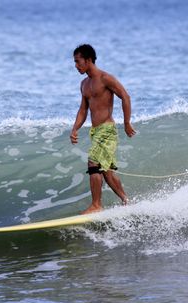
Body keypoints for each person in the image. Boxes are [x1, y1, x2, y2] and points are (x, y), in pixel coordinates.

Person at [70, 44, 136, 214]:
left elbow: (125, 96)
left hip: (107, 129)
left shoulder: (106, 78)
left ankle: (96, 205)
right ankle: (127, 201)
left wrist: (127, 122)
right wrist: (75, 128)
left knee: (93, 161)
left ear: (88, 59)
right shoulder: (84, 84)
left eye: (78, 62)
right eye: (75, 62)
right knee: (105, 170)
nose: (76, 66)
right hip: (95, 131)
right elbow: (83, 109)